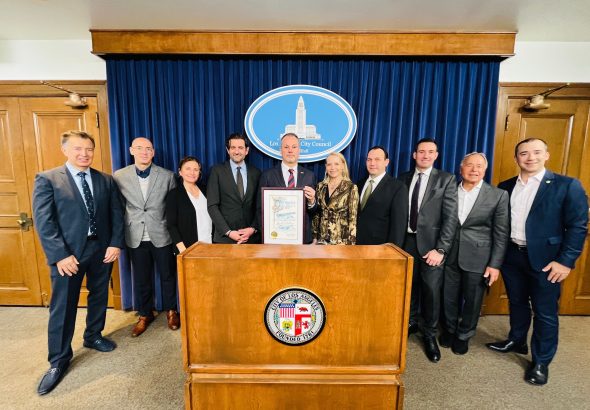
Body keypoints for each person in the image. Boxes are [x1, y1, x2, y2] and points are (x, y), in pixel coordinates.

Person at [486, 138, 588, 385]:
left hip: (547, 261)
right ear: (516, 158)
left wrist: (565, 261)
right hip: (512, 255)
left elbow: (578, 226)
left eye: (536, 152)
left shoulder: (567, 185)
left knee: (545, 312)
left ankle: (541, 361)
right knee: (517, 303)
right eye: (524, 153)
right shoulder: (505, 186)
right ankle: (517, 340)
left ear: (547, 155)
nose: (530, 157)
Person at [32, 130, 124, 395]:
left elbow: (117, 214)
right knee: (63, 306)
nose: (84, 154)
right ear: (65, 150)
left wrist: (115, 243)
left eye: (89, 149)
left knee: (99, 296)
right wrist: (60, 255)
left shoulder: (105, 180)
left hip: (101, 250)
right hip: (68, 255)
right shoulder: (48, 179)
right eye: (78, 149)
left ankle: (93, 335)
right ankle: (58, 360)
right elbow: (45, 222)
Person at [440, 152, 509, 355]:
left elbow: (501, 233)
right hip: (450, 254)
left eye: (479, 166)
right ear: (461, 168)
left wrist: (495, 264)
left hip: (479, 257)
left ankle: (464, 335)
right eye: (470, 165)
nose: (474, 169)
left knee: (473, 300)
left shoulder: (498, 195)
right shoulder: (449, 190)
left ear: (485, 170)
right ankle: (449, 330)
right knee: (448, 297)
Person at [399, 137, 458, 363]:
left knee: (431, 291)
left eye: (430, 152)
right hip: (405, 242)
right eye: (421, 151)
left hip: (432, 247)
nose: (425, 155)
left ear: (436, 155)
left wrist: (441, 249)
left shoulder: (446, 179)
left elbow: (450, 218)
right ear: (414, 155)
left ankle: (430, 334)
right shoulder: (403, 178)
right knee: (408, 287)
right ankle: (411, 322)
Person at [113, 137, 179, 338]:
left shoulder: (167, 175)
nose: (144, 152)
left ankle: (171, 311)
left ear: (153, 152)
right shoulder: (119, 176)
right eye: (140, 148)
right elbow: (117, 207)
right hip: (135, 235)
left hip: (161, 234)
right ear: (131, 150)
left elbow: (172, 207)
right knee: (141, 278)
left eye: (148, 148)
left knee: (168, 275)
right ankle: (144, 314)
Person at [258, 133, 318, 244]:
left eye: (294, 147)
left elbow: (314, 211)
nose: (290, 150)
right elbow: (259, 209)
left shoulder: (310, 176)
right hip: (275, 238)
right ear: (281, 150)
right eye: (286, 147)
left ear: (299, 150)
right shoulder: (267, 175)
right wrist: (266, 234)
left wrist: (312, 201)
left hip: (302, 238)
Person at [207, 133, 261, 244]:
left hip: (251, 239)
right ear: (228, 150)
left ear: (246, 150)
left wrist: (253, 228)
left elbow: (260, 206)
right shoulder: (217, 171)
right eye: (233, 148)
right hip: (225, 239)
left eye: (240, 148)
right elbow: (212, 205)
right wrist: (228, 232)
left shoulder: (256, 173)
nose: (237, 151)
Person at [356, 146, 408, 247]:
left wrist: (392, 250)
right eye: (369, 159)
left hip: (380, 248)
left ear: (386, 162)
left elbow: (398, 226)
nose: (372, 163)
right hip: (356, 245)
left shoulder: (398, 187)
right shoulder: (359, 184)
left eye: (377, 159)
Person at [167, 156, 213, 252]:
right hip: (187, 248)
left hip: (210, 243)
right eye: (188, 169)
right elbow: (171, 225)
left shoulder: (207, 190)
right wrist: (182, 249)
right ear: (180, 172)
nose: (192, 173)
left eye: (196, 169)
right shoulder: (174, 194)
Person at [312, 152, 359, 245]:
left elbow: (353, 219)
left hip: (341, 242)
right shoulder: (320, 186)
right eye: (329, 164)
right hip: (321, 241)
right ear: (326, 167)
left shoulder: (351, 188)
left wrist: (351, 244)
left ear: (343, 166)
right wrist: (314, 238)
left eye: (336, 164)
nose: (332, 167)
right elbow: (317, 215)